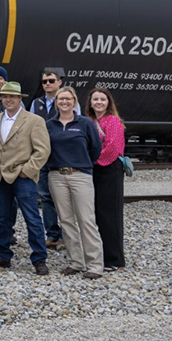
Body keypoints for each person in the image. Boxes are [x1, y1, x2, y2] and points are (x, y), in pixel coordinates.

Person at [0, 81, 52, 275]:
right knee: (2, 218)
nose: (8, 99)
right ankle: (3, 256)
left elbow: (42, 150)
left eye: (12, 96)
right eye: (5, 96)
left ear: (20, 98)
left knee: (31, 218)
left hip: (23, 176)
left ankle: (39, 258)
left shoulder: (34, 120)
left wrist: (27, 170)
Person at [46, 86, 104, 278]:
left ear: (74, 101)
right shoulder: (50, 125)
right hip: (56, 176)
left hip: (80, 175)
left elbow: (95, 148)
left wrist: (81, 164)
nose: (64, 102)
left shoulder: (85, 123)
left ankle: (95, 265)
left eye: (68, 99)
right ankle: (75, 262)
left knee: (86, 220)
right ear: (56, 102)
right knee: (66, 220)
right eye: (60, 99)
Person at [32, 68, 76, 250]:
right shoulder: (36, 103)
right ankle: (52, 234)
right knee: (46, 197)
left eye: (51, 80)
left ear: (60, 82)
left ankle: (69, 236)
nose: (48, 84)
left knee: (66, 199)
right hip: (43, 158)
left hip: (62, 158)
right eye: (44, 82)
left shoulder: (68, 101)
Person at [87, 86, 126, 271]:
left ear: (108, 102)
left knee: (109, 214)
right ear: (90, 102)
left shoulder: (113, 121)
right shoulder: (90, 121)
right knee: (96, 213)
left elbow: (112, 147)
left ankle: (114, 259)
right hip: (94, 169)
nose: (99, 103)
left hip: (109, 169)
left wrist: (90, 160)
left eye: (102, 99)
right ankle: (99, 255)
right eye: (95, 99)